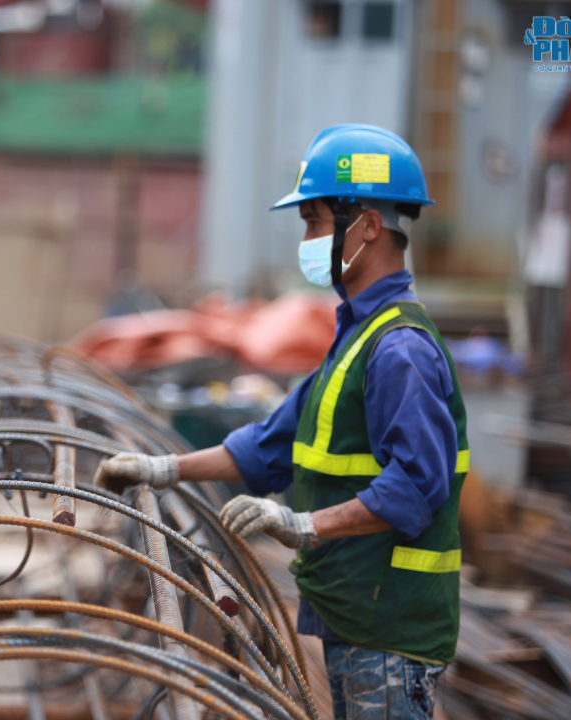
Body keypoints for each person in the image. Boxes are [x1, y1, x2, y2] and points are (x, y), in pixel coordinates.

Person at [94, 125, 468, 720]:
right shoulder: (356, 339)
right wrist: (162, 468)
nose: (310, 238)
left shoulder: (400, 351)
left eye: (316, 223)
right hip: (356, 618)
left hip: (389, 629)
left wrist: (304, 523)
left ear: (368, 225)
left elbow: (419, 485)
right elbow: (266, 446)